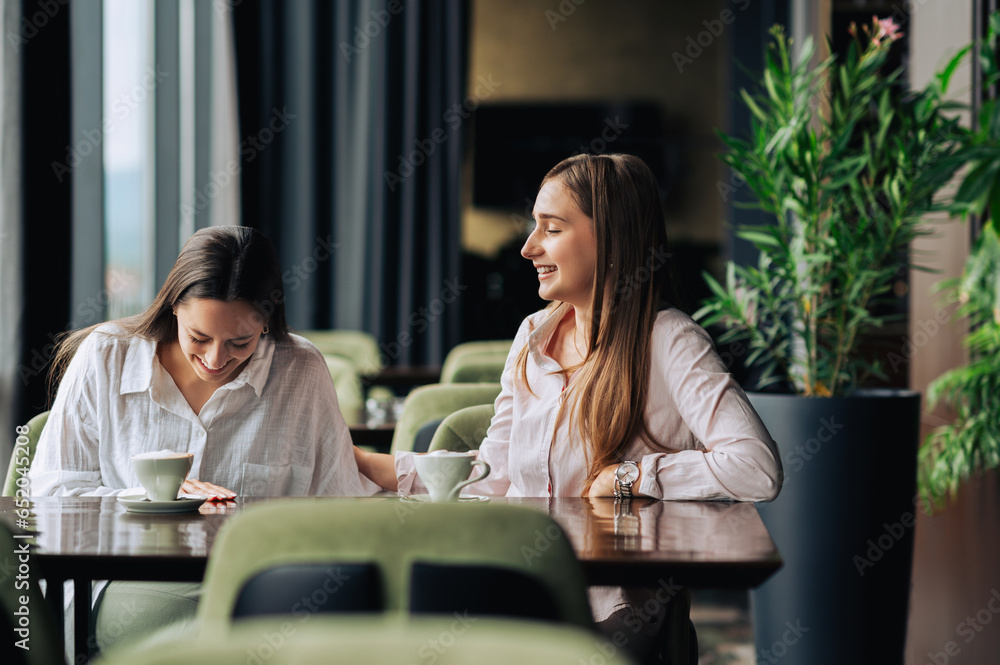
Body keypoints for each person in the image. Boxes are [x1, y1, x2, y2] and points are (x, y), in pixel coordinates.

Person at [354, 153, 781, 664]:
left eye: (551, 229)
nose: (528, 247)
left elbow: (756, 467)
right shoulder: (532, 334)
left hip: (613, 609)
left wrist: (631, 476)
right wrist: (371, 464)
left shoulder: (669, 341)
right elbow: (497, 475)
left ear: (612, 239)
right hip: (520, 588)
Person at [31, 225, 378, 653]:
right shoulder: (105, 356)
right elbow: (52, 496)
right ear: (174, 305)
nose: (215, 360)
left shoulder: (300, 371)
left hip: (262, 577)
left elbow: (336, 502)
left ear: (266, 322)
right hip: (133, 579)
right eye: (199, 337)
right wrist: (153, 498)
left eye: (240, 341)